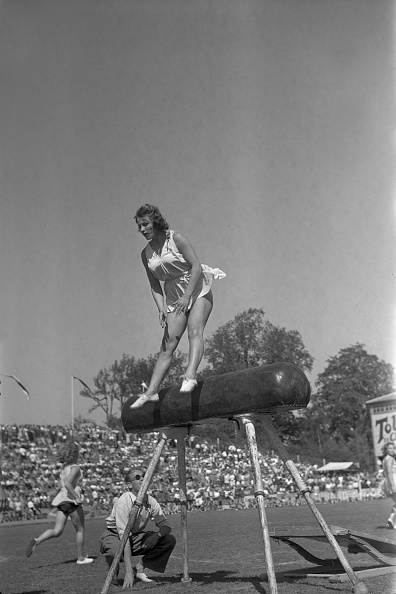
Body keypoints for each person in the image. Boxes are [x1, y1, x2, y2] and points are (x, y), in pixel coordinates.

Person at [131, 204, 225, 408]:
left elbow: (196, 266)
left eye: (145, 224)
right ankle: (151, 391)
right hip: (173, 294)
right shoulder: (145, 254)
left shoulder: (176, 239)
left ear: (155, 221)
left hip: (196, 286)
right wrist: (161, 308)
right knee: (168, 344)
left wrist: (187, 296)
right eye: (139, 226)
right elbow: (154, 284)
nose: (142, 229)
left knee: (194, 331)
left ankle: (190, 375)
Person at [100, 468, 176, 588]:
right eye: (137, 477)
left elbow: (166, 526)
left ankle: (139, 569)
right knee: (115, 551)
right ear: (129, 484)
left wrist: (157, 536)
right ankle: (113, 571)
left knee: (169, 540)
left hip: (134, 537)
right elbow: (124, 536)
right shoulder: (123, 502)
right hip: (115, 535)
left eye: (143, 476)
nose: (142, 479)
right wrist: (128, 571)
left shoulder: (151, 501)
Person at [25, 442, 93, 564]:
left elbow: (62, 485)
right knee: (80, 530)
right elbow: (68, 484)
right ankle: (80, 558)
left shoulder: (64, 468)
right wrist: (77, 497)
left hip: (61, 502)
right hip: (71, 501)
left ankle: (37, 540)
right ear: (74, 454)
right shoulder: (75, 467)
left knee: (57, 531)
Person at [382, 442, 396, 529]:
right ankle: (391, 520)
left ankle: (391, 520)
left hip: (388, 481)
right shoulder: (390, 459)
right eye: (390, 448)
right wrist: (393, 485)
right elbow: (390, 473)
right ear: (386, 450)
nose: (392, 450)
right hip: (393, 481)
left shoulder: (385, 459)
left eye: (393, 448)